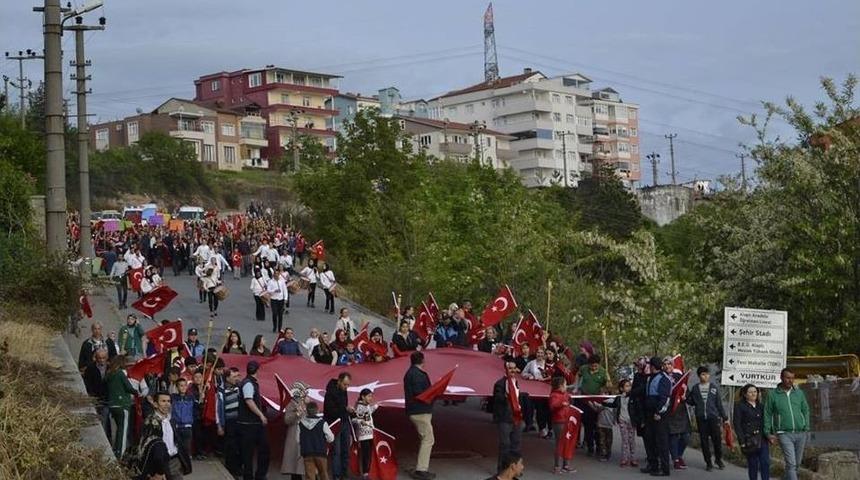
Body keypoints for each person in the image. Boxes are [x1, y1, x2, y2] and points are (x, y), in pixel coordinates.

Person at [764, 368, 810, 480]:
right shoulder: (773, 394)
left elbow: (805, 410)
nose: (790, 381)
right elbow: (767, 413)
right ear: (781, 378)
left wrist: (807, 426)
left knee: (797, 464)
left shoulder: (799, 393)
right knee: (791, 464)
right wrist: (768, 432)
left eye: (792, 378)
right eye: (788, 378)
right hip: (784, 433)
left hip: (800, 433)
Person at [141, 391, 192, 480]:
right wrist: (158, 471)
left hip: (174, 462)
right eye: (163, 401)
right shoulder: (151, 422)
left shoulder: (171, 420)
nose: (167, 404)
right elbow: (151, 447)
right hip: (158, 464)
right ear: (155, 404)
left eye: (168, 401)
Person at [686, 366, 728, 471]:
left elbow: (719, 404)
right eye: (703, 374)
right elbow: (691, 401)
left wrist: (724, 417)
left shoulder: (713, 388)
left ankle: (718, 459)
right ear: (699, 376)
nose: (706, 376)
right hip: (701, 418)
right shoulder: (695, 388)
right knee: (704, 441)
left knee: (717, 440)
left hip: (713, 417)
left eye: (707, 374)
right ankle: (708, 462)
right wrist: (685, 398)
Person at [404, 351, 436, 480]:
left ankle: (421, 468)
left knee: (425, 438)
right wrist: (433, 391)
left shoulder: (410, 373)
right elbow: (420, 392)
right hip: (420, 410)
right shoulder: (418, 375)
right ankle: (421, 469)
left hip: (415, 410)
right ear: (422, 360)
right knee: (428, 439)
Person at [238, 360, 269, 480]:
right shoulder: (249, 384)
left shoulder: (248, 383)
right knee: (252, 453)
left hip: (250, 424)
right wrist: (261, 415)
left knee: (251, 453)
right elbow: (249, 401)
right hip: (250, 424)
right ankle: (255, 476)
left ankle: (255, 475)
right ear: (257, 370)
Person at [643, 356, 674, 476]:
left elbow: (665, 399)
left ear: (652, 366)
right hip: (649, 414)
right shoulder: (650, 378)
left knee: (661, 441)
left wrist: (658, 412)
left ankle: (664, 468)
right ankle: (653, 465)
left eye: (649, 365)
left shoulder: (664, 379)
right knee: (649, 439)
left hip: (659, 414)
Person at [492, 362, 523, 474]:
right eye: (510, 368)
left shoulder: (516, 382)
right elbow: (496, 398)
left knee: (516, 444)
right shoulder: (500, 383)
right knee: (505, 445)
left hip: (516, 417)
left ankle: (515, 469)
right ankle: (501, 470)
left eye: (514, 368)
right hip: (504, 418)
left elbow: (518, 397)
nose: (513, 370)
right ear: (506, 369)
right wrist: (505, 397)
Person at [734, 384, 770, 480]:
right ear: (745, 394)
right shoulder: (739, 406)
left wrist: (770, 435)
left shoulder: (761, 406)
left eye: (755, 392)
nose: (753, 394)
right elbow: (737, 425)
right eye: (750, 392)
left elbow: (767, 421)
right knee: (753, 464)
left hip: (762, 438)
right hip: (749, 439)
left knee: (765, 462)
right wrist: (742, 442)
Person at [324, 372, 354, 480]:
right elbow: (329, 411)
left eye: (348, 385)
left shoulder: (343, 391)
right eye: (345, 384)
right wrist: (344, 409)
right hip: (335, 423)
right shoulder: (330, 393)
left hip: (345, 421)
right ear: (339, 381)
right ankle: (336, 476)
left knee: (346, 449)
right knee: (337, 451)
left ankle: (344, 474)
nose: (346, 387)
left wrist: (348, 411)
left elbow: (344, 406)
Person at [107, 355, 137, 458]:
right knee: (123, 431)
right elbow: (128, 387)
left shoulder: (109, 374)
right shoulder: (120, 373)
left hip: (112, 405)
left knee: (118, 429)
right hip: (122, 404)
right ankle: (121, 454)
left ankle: (116, 450)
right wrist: (137, 392)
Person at [577, 355, 607, 456]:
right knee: (588, 425)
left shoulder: (603, 372)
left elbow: (606, 385)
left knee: (597, 426)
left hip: (596, 401)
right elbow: (578, 375)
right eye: (592, 366)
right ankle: (590, 447)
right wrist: (576, 386)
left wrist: (605, 390)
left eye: (595, 366)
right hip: (585, 400)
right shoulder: (584, 368)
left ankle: (599, 446)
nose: (593, 368)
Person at [216, 367, 243, 477]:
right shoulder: (221, 391)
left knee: (241, 446)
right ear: (227, 378)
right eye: (234, 376)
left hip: (240, 421)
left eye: (238, 376)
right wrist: (219, 426)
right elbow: (217, 409)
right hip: (229, 422)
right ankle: (232, 470)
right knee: (231, 447)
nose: (237, 379)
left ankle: (239, 467)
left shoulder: (240, 388)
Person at [281, 381, 309, 479]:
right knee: (294, 464)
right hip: (295, 435)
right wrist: (296, 414)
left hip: (305, 435)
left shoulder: (306, 403)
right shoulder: (291, 403)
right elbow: (287, 420)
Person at [299, 401, 335, 480]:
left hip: (307, 453)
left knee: (309, 476)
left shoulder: (301, 423)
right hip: (320, 452)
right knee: (323, 475)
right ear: (317, 411)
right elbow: (331, 438)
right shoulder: (322, 423)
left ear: (307, 411)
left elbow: (298, 438)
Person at [83, 347, 112, 438]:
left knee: (105, 420)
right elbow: (87, 383)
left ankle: (106, 438)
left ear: (107, 358)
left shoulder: (111, 368)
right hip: (95, 398)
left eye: (103, 358)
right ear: (96, 358)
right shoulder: (91, 368)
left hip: (107, 399)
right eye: (99, 358)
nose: (102, 360)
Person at [353, 388, 379, 480]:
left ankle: (367, 472)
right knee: (366, 454)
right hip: (364, 435)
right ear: (363, 396)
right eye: (369, 396)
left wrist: (375, 407)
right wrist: (361, 422)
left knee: (368, 454)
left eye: (371, 396)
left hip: (370, 433)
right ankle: (365, 473)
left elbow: (367, 415)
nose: (370, 398)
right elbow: (355, 419)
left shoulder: (366, 405)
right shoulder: (359, 407)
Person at [616, 378, 638, 467]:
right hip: (622, 421)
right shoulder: (618, 398)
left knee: (631, 440)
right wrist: (601, 403)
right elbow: (612, 404)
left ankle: (633, 458)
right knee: (625, 440)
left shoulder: (633, 398)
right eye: (626, 386)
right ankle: (624, 459)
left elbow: (637, 409)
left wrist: (640, 420)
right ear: (621, 388)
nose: (629, 388)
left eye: (630, 386)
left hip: (631, 421)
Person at [171, 378, 196, 459]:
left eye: (185, 385)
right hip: (176, 426)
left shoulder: (191, 397)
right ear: (177, 387)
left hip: (187, 426)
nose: (183, 387)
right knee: (177, 446)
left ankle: (186, 464)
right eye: (181, 386)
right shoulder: (173, 398)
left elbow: (198, 408)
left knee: (186, 446)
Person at [668, 386, 691, 470]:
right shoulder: (669, 382)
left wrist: (685, 398)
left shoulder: (684, 385)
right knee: (673, 437)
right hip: (671, 413)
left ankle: (679, 455)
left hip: (682, 414)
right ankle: (676, 460)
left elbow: (690, 400)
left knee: (686, 437)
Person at [267, 268, 288, 333]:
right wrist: (274, 291)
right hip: (274, 300)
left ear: (279, 274)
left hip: (280, 300)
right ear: (273, 275)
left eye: (277, 274)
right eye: (275, 274)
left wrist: (285, 298)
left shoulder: (282, 281)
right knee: (274, 313)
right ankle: (274, 326)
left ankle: (279, 328)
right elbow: (268, 290)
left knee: (280, 315)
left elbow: (285, 290)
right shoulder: (270, 281)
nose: (276, 275)